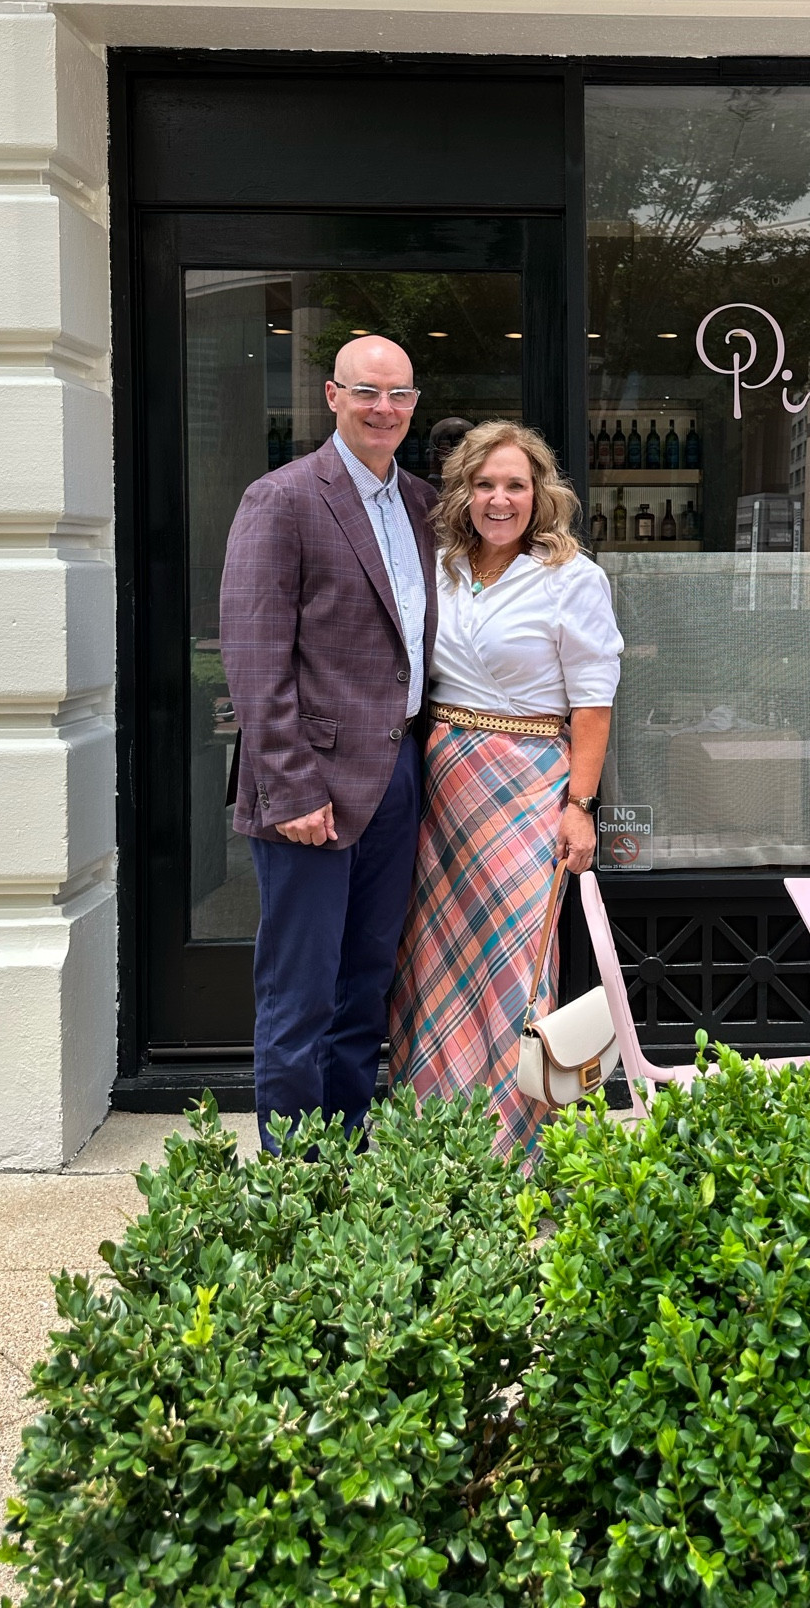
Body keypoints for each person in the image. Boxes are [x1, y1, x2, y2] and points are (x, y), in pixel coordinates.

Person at [220, 335, 437, 1150]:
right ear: (332, 396)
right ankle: (291, 1178)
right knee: (299, 992)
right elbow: (252, 655)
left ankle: (344, 1156)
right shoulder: (281, 499)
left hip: (398, 776)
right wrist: (291, 786)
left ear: (414, 405)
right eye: (367, 392)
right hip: (309, 784)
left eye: (400, 395)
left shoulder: (420, 501)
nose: (384, 408)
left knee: (365, 986)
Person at [387, 420, 624, 1157]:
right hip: (445, 786)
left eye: (515, 485)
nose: (499, 499)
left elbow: (593, 701)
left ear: (540, 493)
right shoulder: (442, 564)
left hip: (528, 787)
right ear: (463, 492)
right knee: (434, 964)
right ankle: (435, 1146)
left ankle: (513, 1152)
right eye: (485, 484)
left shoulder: (572, 577)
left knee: (514, 967)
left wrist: (580, 808)